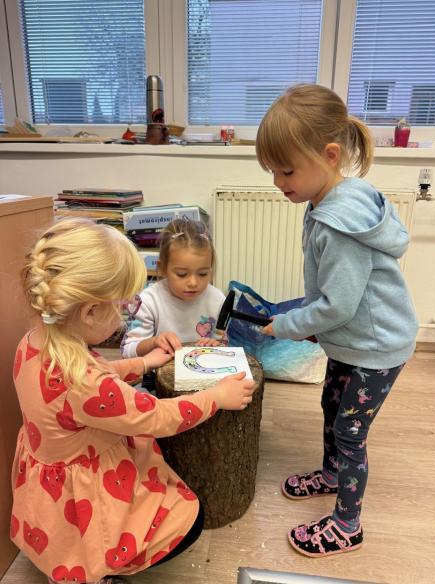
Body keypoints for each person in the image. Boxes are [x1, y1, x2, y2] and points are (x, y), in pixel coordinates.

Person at [11, 217, 255, 584]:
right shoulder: (84, 381)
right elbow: (157, 417)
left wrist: (141, 363)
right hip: (83, 492)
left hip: (50, 483)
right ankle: (99, 568)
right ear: (91, 312)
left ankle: (75, 558)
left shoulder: (33, 342)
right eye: (122, 307)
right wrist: (216, 397)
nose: (125, 316)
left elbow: (93, 382)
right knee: (191, 520)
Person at [255, 84, 418, 557]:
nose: (277, 181)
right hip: (354, 341)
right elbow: (336, 299)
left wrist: (289, 325)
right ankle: (331, 475)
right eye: (272, 171)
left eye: (286, 170)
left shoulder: (338, 223)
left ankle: (348, 525)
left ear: (329, 156)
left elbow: (337, 306)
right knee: (331, 405)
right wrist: (309, 320)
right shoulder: (328, 199)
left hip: (376, 348)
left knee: (350, 433)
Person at [121, 218, 226, 364]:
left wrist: (217, 345)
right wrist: (154, 342)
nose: (193, 283)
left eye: (203, 274)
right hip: (158, 372)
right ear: (163, 268)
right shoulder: (148, 301)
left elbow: (226, 343)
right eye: (182, 274)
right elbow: (127, 352)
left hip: (204, 368)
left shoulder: (217, 299)